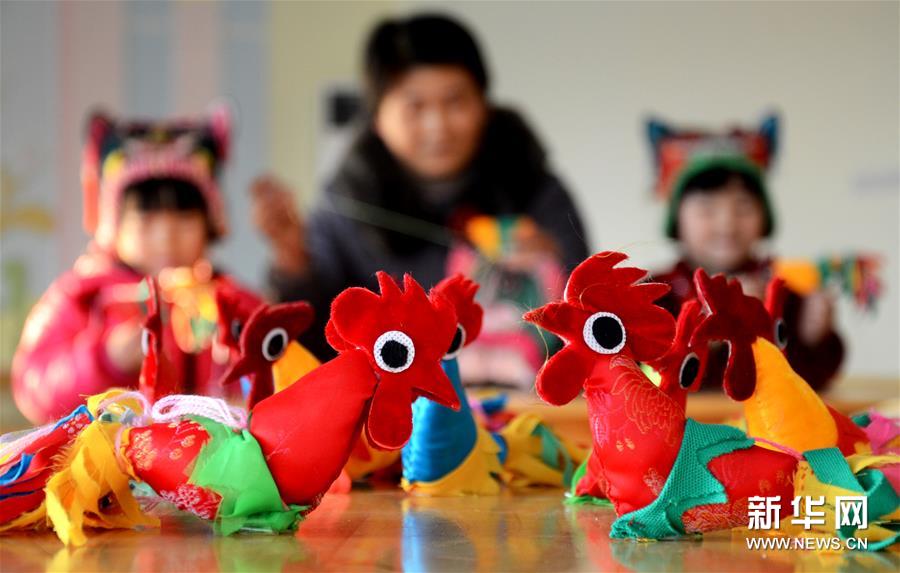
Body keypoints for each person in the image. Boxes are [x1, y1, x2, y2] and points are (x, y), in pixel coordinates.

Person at [252, 13, 589, 359]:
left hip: (520, 388)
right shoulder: (346, 201)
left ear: (484, 104)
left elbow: (588, 317)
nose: (437, 125)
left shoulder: (533, 185)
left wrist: (553, 266)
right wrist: (293, 259)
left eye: (455, 101)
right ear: (377, 116)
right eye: (415, 106)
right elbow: (310, 345)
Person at [12, 105, 256, 424]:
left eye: (184, 218)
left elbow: (278, 372)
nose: (166, 237)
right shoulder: (83, 295)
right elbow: (32, 386)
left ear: (209, 223)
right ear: (114, 225)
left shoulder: (233, 302)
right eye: (146, 220)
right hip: (111, 454)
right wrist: (105, 359)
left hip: (214, 453)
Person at [649, 114, 844, 390]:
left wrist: (813, 337)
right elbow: (643, 379)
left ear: (764, 220)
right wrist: (710, 334)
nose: (727, 224)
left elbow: (809, 384)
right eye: (707, 209)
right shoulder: (654, 295)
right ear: (677, 222)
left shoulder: (783, 294)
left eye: (743, 207)